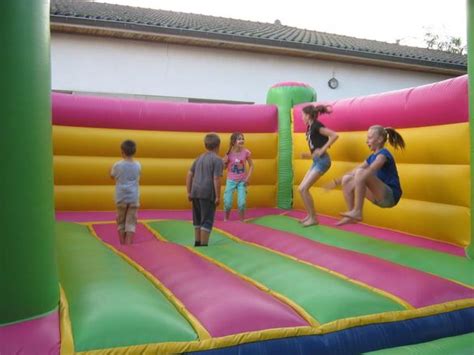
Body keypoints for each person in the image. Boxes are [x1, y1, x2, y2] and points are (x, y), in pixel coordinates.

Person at [330, 125, 405, 226]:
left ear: (379, 139)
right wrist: (336, 181)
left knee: (361, 172)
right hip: (378, 198)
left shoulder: (384, 154)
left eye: (369, 138)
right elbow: (354, 171)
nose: (366, 141)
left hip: (390, 195)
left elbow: (373, 167)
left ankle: (357, 211)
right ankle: (351, 214)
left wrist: (358, 179)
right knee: (347, 179)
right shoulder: (371, 157)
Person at [298, 104, 338, 226]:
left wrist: (322, 150)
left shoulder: (316, 125)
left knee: (304, 189)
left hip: (323, 161)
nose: (301, 117)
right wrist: (309, 155)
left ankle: (313, 218)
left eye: (302, 115)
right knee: (301, 189)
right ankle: (310, 215)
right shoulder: (310, 127)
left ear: (308, 115)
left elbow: (334, 135)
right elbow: (315, 147)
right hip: (317, 160)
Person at [186, 133, 224, 247]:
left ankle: (197, 243)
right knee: (206, 220)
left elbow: (189, 174)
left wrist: (189, 191)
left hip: (195, 191)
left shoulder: (199, 158)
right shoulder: (217, 160)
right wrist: (217, 196)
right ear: (218, 146)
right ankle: (203, 246)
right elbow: (216, 178)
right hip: (207, 193)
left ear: (205, 145)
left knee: (197, 219)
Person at [110, 140, 141, 245]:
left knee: (121, 222)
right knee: (131, 223)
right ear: (134, 152)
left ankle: (123, 245)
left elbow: (112, 176)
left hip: (121, 197)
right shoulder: (138, 165)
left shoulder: (117, 165)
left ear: (122, 152)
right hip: (133, 197)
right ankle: (129, 245)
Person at [223, 132, 254, 221]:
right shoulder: (229, 154)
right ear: (233, 142)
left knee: (242, 203)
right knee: (227, 203)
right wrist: (224, 162)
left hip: (242, 181)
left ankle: (241, 220)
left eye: (242, 138)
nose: (242, 140)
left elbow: (251, 165)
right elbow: (224, 168)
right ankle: (226, 219)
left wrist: (247, 178)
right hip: (231, 181)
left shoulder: (246, 152)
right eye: (239, 139)